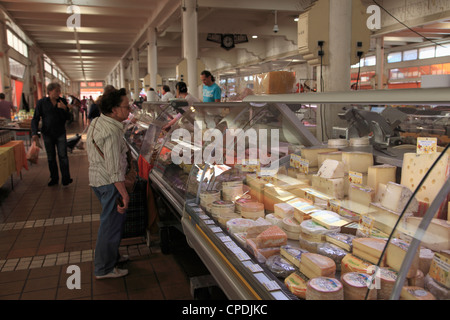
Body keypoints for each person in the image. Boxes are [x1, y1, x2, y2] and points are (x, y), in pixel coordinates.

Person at [86, 87, 130, 279]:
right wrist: (124, 193)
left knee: (111, 222)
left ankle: (113, 257)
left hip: (96, 179)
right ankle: (104, 269)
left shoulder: (98, 121)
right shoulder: (112, 132)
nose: (129, 111)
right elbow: (113, 169)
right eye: (126, 107)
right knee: (110, 226)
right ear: (114, 110)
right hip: (109, 183)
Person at [31, 82, 73, 186]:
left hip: (60, 133)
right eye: (56, 91)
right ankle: (54, 178)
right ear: (49, 91)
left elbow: (69, 118)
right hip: (47, 133)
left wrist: (64, 109)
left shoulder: (62, 101)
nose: (58, 93)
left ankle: (66, 178)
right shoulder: (42, 103)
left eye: (59, 91)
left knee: (63, 156)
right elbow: (35, 118)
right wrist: (34, 132)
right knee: (51, 157)